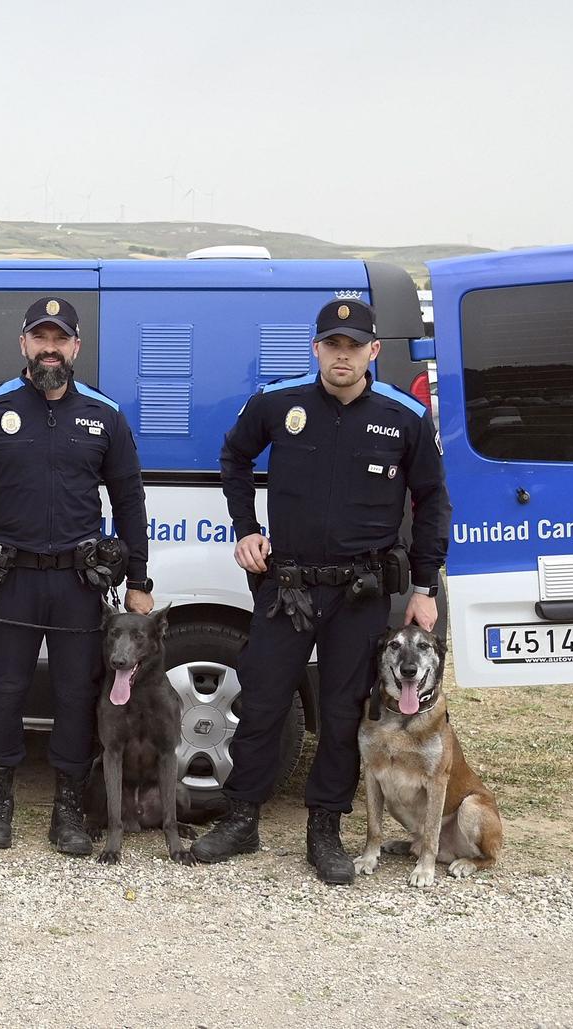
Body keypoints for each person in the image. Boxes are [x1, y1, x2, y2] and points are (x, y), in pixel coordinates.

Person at [192, 297, 449, 884]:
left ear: (372, 352)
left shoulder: (403, 417)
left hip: (360, 594)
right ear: (316, 349)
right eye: (332, 345)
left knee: (339, 715)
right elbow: (233, 457)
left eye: (353, 346)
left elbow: (433, 501)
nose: (342, 355)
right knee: (261, 702)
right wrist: (246, 527)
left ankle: (325, 829)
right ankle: (241, 819)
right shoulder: (278, 405)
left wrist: (425, 584)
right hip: (288, 586)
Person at [0, 297, 154, 853]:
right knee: (3, 693)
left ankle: (69, 811)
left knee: (78, 695)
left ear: (75, 347)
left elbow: (129, 499)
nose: (49, 348)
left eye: (60, 339)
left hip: (80, 586)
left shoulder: (104, 415)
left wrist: (139, 581)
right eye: (40, 338)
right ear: (24, 344)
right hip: (12, 580)